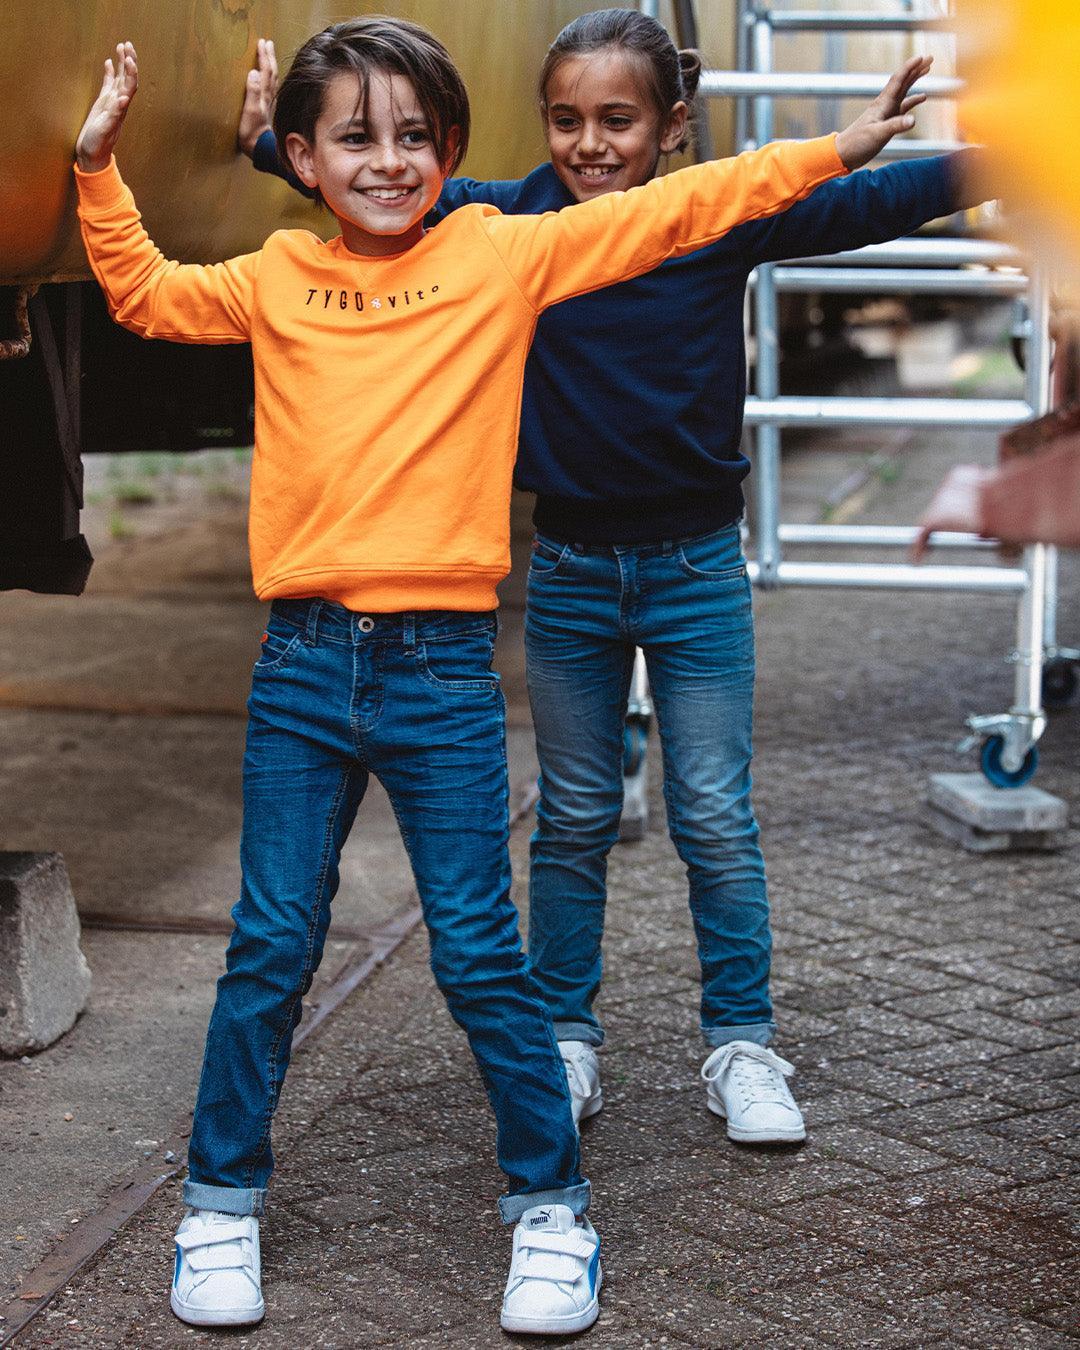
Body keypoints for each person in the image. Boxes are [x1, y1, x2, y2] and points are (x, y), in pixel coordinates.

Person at [75, 17, 922, 1333]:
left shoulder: (503, 251)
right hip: (301, 668)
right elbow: (142, 291)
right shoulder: (278, 275)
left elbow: (686, 206)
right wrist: (93, 167)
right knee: (269, 946)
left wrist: (835, 149)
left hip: (441, 674)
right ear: (302, 158)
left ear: (455, 150)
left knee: (478, 949)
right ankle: (220, 1203)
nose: (389, 161)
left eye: (416, 137)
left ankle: (552, 1211)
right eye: (356, 139)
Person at [244, 10, 974, 1144]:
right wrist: (262, 142)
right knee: (575, 816)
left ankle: (742, 1044)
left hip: (696, 570)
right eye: (566, 119)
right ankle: (565, 1037)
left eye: (618, 120)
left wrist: (1005, 158)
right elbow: (377, 179)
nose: (590, 144)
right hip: (571, 570)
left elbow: (861, 202)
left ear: (672, 129)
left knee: (715, 815)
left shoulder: (707, 219)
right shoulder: (509, 222)